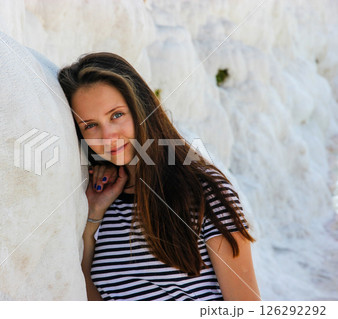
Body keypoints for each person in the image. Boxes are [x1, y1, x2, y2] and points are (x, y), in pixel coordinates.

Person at [58, 52, 260, 301]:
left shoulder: (204, 191)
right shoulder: (99, 202)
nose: (107, 136)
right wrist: (91, 222)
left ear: (141, 107)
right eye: (90, 125)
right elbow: (84, 295)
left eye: (116, 115)